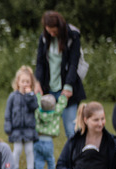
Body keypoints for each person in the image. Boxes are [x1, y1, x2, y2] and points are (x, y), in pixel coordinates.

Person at [34, 10, 86, 139]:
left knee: (71, 129)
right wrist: (37, 82)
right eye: (49, 31)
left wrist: (68, 86)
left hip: (66, 89)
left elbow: (74, 64)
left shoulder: (73, 36)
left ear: (60, 27)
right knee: (45, 129)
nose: (52, 33)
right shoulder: (44, 38)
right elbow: (40, 62)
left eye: (54, 31)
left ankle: (76, 158)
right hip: (48, 89)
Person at [4, 65, 39, 169]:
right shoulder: (12, 96)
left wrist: (29, 95)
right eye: (23, 81)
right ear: (18, 82)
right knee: (17, 150)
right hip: (16, 129)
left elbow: (34, 106)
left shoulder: (32, 96)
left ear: (31, 83)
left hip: (29, 129)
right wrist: (8, 125)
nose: (25, 84)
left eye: (27, 82)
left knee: (29, 150)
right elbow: (8, 112)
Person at [34, 94, 66, 169]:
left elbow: (37, 104)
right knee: (50, 157)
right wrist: (63, 97)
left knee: (38, 157)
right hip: (48, 141)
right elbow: (61, 106)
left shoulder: (38, 111)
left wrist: (38, 95)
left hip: (37, 140)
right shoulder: (55, 112)